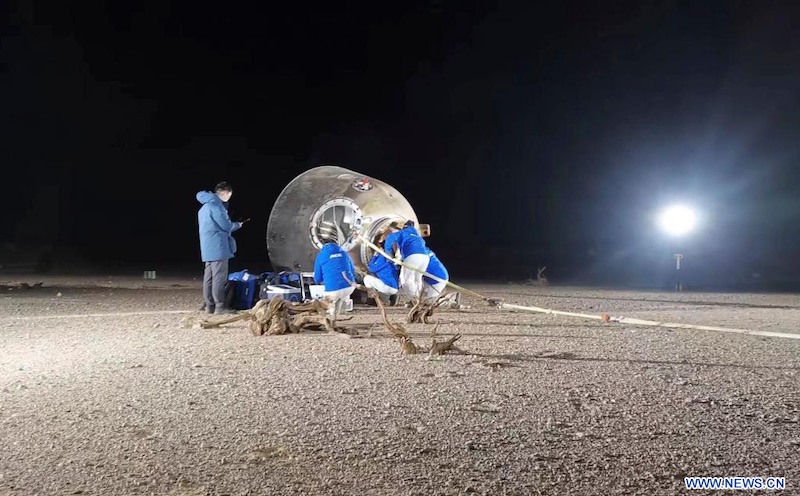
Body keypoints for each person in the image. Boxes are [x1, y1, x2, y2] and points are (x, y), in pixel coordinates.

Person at [197, 182, 244, 314]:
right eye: (229, 194)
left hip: (207, 247)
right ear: (224, 193)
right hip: (218, 247)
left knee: (209, 277)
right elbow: (226, 226)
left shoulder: (204, 207)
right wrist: (237, 225)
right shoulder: (217, 207)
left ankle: (209, 305)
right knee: (219, 277)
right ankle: (220, 306)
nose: (229, 197)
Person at [384, 220, 430, 298]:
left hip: (412, 256)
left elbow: (390, 238)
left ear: (405, 227)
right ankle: (419, 297)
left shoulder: (403, 233)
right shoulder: (418, 236)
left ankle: (414, 299)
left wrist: (388, 254)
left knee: (406, 280)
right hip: (425, 258)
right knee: (417, 279)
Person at [313, 239, 357, 317]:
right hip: (350, 287)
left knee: (327, 298)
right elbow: (352, 271)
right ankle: (342, 305)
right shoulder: (344, 253)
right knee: (341, 292)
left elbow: (317, 278)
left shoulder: (321, 256)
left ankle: (332, 314)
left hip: (333, 290)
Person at [363, 233, 400, 297]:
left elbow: (371, 269)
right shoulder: (391, 258)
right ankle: (388, 297)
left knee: (367, 278)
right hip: (394, 287)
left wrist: (375, 256)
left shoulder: (382, 256)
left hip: (389, 287)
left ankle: (373, 298)